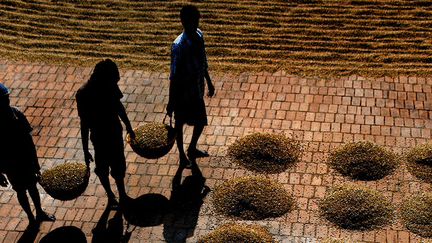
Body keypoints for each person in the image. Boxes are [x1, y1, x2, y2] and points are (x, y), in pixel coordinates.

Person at [76, 59, 135, 209]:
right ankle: (110, 196)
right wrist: (84, 150)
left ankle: (122, 195)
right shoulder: (84, 94)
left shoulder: (109, 85)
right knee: (102, 169)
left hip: (114, 132)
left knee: (119, 166)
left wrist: (129, 126)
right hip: (100, 137)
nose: (114, 83)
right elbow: (84, 125)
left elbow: (119, 107)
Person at [0, 83, 55, 230]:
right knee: (20, 191)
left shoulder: (17, 114)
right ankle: (31, 217)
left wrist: (35, 163)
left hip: (25, 160)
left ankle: (39, 212)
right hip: (10, 164)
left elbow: (29, 141)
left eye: (6, 99)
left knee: (32, 186)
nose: (6, 102)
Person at [167, 4, 215, 168]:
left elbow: (203, 60)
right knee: (179, 124)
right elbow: (173, 77)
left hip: (196, 90)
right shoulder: (178, 46)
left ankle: (192, 148)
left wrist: (208, 82)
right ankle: (181, 156)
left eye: (196, 21)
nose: (195, 25)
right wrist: (170, 102)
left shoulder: (199, 34)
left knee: (201, 121)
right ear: (184, 23)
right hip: (182, 94)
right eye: (192, 22)